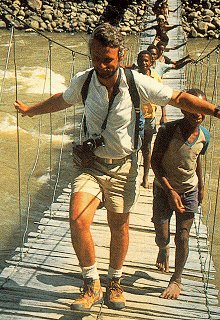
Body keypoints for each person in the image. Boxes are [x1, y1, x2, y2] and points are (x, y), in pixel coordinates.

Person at [14, 23, 220, 311]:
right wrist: (30, 111)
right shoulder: (84, 81)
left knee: (118, 226)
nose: (102, 65)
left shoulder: (137, 82)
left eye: (108, 59)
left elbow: (176, 98)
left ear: (121, 56)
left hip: (124, 167)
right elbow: (61, 100)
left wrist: (215, 110)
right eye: (96, 58)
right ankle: (91, 284)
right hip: (91, 165)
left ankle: (115, 281)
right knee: (77, 218)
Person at [151, 88, 210, 300]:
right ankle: (162, 248)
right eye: (194, 109)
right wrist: (169, 191)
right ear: (183, 110)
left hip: (189, 190)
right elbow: (154, 162)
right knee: (162, 234)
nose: (199, 114)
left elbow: (196, 160)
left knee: (183, 236)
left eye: (203, 109)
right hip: (164, 188)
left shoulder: (205, 135)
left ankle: (176, 279)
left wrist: (201, 186)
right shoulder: (167, 131)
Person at [136, 50, 166, 188]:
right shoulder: (132, 77)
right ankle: (132, 175)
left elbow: (162, 97)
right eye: (141, 60)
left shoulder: (155, 77)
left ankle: (146, 177)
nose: (144, 63)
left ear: (151, 63)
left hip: (149, 118)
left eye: (146, 61)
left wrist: (163, 115)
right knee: (132, 148)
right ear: (137, 62)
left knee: (146, 148)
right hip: (133, 117)